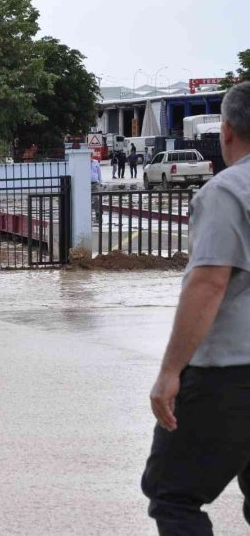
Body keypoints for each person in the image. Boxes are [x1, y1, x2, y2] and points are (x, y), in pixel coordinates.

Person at [142, 82, 250, 534]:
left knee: (173, 495)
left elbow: (208, 282)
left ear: (226, 132)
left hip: (229, 374)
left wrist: (170, 373)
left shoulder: (228, 191)